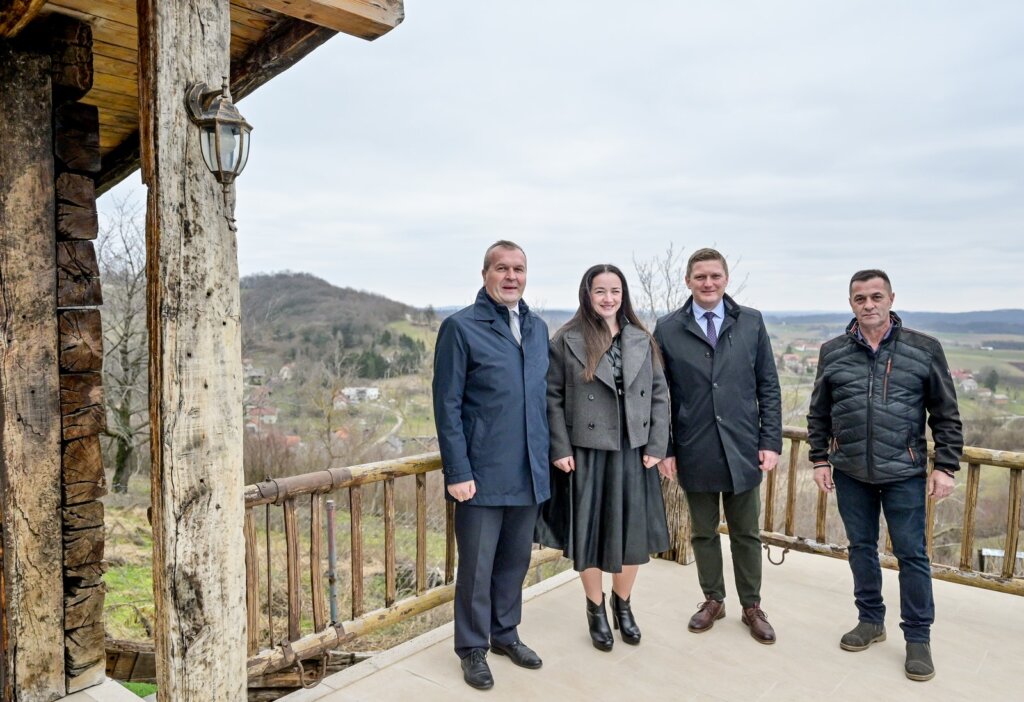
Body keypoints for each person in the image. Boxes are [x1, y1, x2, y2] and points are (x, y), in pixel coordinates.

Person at [807, 269, 962, 682]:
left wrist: (945, 466)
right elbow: (819, 413)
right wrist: (820, 459)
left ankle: (917, 638)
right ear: (851, 303)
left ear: (892, 298)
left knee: (912, 556)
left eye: (876, 296)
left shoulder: (923, 349)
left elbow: (945, 414)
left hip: (904, 473)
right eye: (860, 298)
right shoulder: (833, 351)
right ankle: (870, 621)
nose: (869, 304)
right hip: (851, 471)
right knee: (861, 548)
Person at [432, 240, 550, 690]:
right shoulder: (461, 328)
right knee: (477, 569)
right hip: (479, 476)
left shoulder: (537, 329)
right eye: (502, 268)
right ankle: (473, 648)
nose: (511, 276)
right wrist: (458, 471)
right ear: (485, 274)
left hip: (529, 473)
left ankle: (505, 634)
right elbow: (447, 405)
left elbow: (543, 400)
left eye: (518, 269)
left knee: (513, 564)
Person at [536, 264, 671, 652]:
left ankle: (622, 604)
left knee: (634, 536)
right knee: (592, 535)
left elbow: (660, 395)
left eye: (615, 291)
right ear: (587, 295)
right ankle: (595, 609)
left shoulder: (642, 339)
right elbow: (552, 398)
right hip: (587, 454)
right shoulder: (567, 339)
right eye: (600, 291)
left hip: (633, 452)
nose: (608, 298)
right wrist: (559, 448)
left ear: (623, 295)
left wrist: (656, 445)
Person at [654, 247, 782, 645]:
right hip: (695, 447)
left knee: (747, 533)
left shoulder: (751, 322)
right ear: (688, 281)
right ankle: (713, 599)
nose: (708, 283)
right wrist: (667, 447)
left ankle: (751, 606)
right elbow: (662, 395)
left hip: (743, 446)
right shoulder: (668, 328)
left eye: (715, 276)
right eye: (700, 277)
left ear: (725, 279)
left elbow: (768, 386)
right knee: (703, 533)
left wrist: (770, 440)